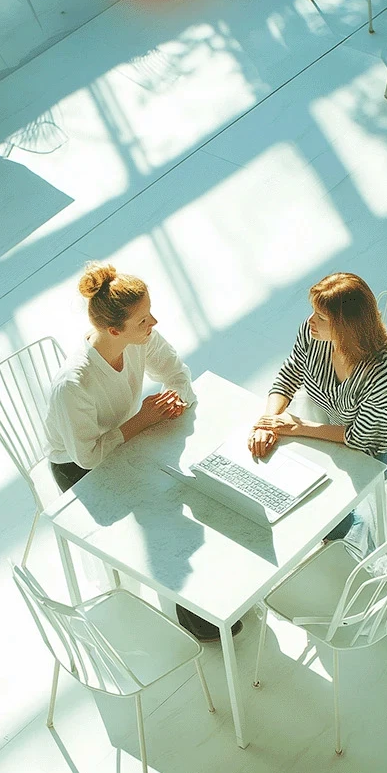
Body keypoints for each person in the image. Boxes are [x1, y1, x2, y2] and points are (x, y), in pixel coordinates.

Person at [46, 262, 240, 641]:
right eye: (143, 319)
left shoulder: (138, 338)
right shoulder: (74, 384)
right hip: (79, 469)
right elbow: (88, 456)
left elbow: (178, 376)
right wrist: (144, 419)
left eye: (149, 312)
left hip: (126, 440)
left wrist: (175, 402)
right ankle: (199, 618)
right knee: (163, 515)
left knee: (195, 485)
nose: (154, 322)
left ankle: (219, 591)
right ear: (114, 329)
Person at [248, 272, 387, 540]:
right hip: (329, 426)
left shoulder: (381, 370)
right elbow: (289, 375)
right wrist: (268, 421)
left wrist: (298, 426)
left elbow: (358, 439)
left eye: (322, 318)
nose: (311, 321)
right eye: (314, 312)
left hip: (378, 449)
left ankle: (345, 542)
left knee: (326, 512)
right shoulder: (313, 333)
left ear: (347, 327)